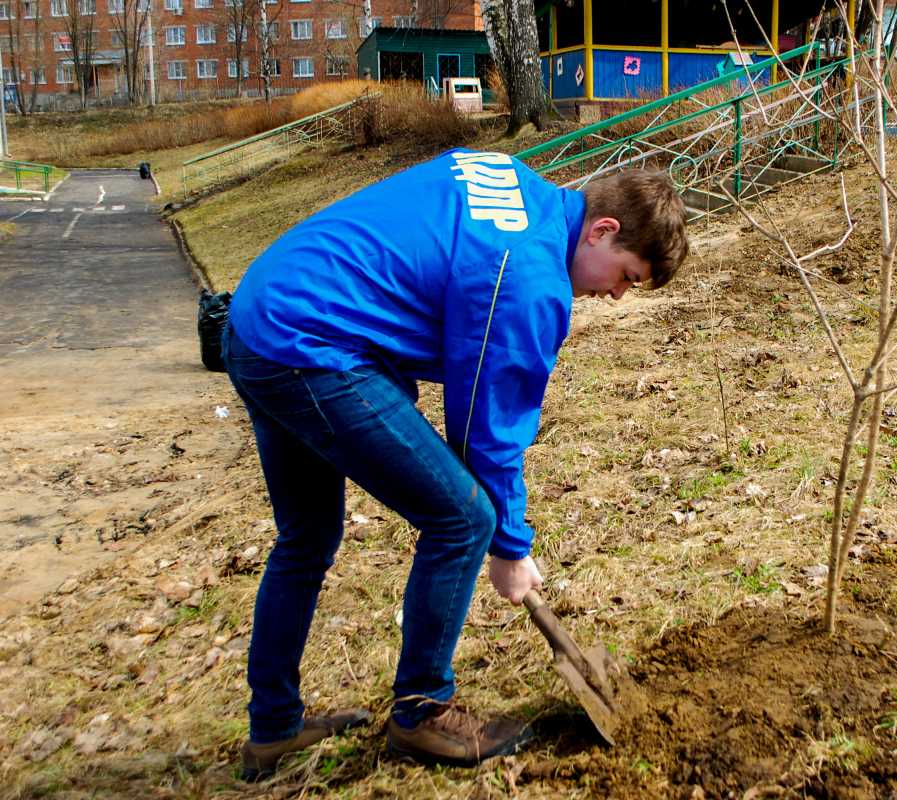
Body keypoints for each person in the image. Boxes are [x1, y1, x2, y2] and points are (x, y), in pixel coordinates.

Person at [222, 149, 689, 780]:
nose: (616, 294)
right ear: (602, 231)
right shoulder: (530, 276)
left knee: (306, 538)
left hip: (262, 314)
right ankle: (422, 713)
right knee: (463, 519)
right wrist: (509, 544)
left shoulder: (512, 180)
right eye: (627, 276)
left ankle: (273, 729)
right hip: (311, 345)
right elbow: (486, 433)